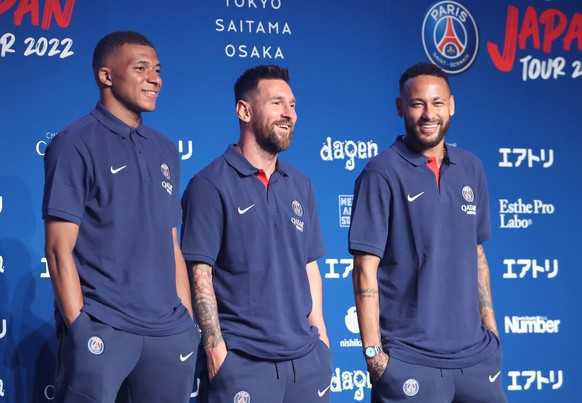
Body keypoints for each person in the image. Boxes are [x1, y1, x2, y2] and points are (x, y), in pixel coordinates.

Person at [42, 31, 198, 403]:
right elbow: (58, 249)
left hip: (169, 333)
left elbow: (170, 242)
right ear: (106, 76)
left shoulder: (165, 149)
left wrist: (188, 323)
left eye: (157, 70)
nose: (154, 78)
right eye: (141, 68)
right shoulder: (74, 142)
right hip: (103, 328)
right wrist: (79, 326)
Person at [348, 62, 507, 402]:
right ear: (400, 107)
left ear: (451, 105)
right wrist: (375, 356)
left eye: (437, 103)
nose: (428, 113)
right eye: (418, 103)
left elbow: (477, 254)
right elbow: (364, 268)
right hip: (410, 360)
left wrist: (491, 328)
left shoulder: (472, 168)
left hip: (477, 359)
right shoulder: (381, 172)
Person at [181, 64, 333, 402]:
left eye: (292, 105)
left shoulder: (301, 184)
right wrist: (216, 350)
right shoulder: (209, 184)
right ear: (244, 110)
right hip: (243, 364)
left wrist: (321, 339)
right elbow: (199, 273)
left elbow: (309, 267)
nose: (289, 114)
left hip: (306, 363)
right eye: (277, 103)